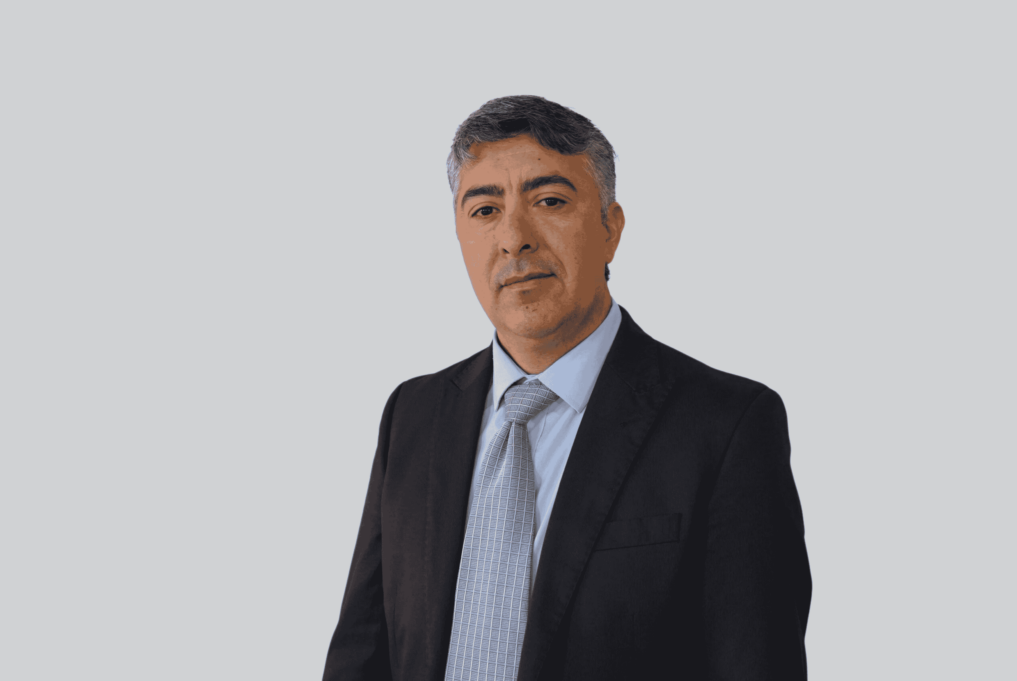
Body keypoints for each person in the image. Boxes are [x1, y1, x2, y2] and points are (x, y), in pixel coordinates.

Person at [322, 95, 811, 681]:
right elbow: (361, 655)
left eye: (549, 201)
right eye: (484, 210)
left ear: (611, 228)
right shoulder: (414, 413)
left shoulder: (726, 426)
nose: (514, 238)